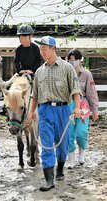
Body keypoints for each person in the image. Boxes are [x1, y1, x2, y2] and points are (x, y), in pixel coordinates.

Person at [29, 36, 82, 191]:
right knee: (46, 145)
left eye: (44, 48)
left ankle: (60, 168)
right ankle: (49, 180)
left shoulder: (67, 68)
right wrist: (31, 112)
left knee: (63, 144)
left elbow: (75, 89)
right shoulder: (39, 71)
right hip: (44, 110)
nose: (42, 51)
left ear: (54, 49)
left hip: (63, 110)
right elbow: (35, 95)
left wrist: (77, 107)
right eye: (40, 48)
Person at [67, 49, 99, 169]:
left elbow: (91, 92)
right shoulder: (66, 73)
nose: (73, 62)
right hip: (69, 104)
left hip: (83, 105)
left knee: (81, 132)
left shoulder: (86, 74)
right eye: (70, 60)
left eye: (75, 60)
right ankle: (71, 158)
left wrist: (95, 109)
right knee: (69, 132)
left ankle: (81, 151)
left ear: (80, 60)